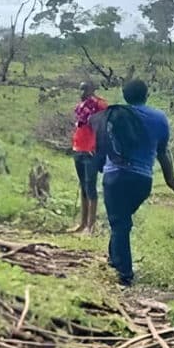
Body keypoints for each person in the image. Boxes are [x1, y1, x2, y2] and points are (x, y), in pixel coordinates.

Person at [91, 79, 174, 287]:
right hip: (142, 180)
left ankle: (124, 274)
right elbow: (163, 152)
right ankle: (114, 261)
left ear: (124, 95)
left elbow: (100, 145)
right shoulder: (159, 118)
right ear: (147, 95)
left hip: (115, 177)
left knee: (119, 223)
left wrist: (97, 167)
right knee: (121, 221)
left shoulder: (115, 114)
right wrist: (170, 180)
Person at [69, 81, 107, 234]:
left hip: (91, 150)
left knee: (91, 186)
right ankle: (82, 223)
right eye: (80, 88)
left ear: (92, 89)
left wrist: (98, 147)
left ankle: (91, 226)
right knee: (83, 186)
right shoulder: (81, 106)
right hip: (78, 147)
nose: (82, 91)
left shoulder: (100, 105)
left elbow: (103, 127)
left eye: (85, 88)